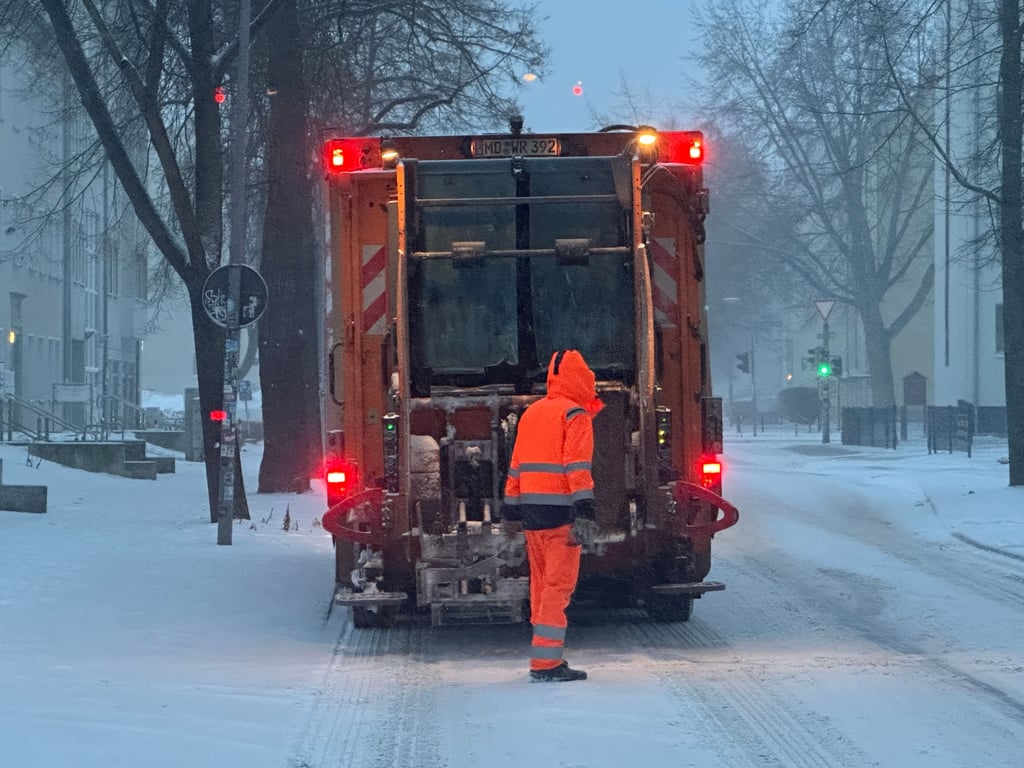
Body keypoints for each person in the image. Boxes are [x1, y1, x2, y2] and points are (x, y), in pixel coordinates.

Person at [503, 349, 602, 682]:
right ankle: (545, 663)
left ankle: (543, 654)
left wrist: (511, 512)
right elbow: (578, 469)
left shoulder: (532, 413)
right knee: (558, 589)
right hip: (562, 517)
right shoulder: (575, 416)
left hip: (532, 516)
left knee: (542, 587)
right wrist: (585, 513)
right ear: (581, 379)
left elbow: (516, 467)